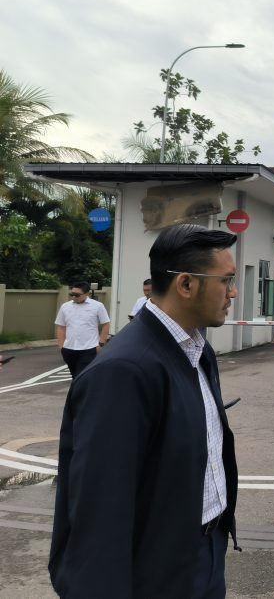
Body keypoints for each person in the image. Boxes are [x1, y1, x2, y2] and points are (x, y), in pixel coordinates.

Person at [49, 225, 240, 598]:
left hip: (204, 551)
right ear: (186, 284)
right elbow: (100, 508)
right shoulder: (124, 370)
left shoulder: (196, 349)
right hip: (155, 568)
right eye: (226, 280)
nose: (232, 292)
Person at [54, 281, 110, 378]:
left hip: (89, 348)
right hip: (69, 349)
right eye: (72, 294)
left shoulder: (97, 306)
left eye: (77, 295)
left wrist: (101, 343)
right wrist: (61, 346)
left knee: (80, 376)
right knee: (74, 375)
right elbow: (61, 326)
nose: (74, 297)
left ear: (87, 294)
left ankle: (78, 388)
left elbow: (106, 324)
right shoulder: (65, 307)